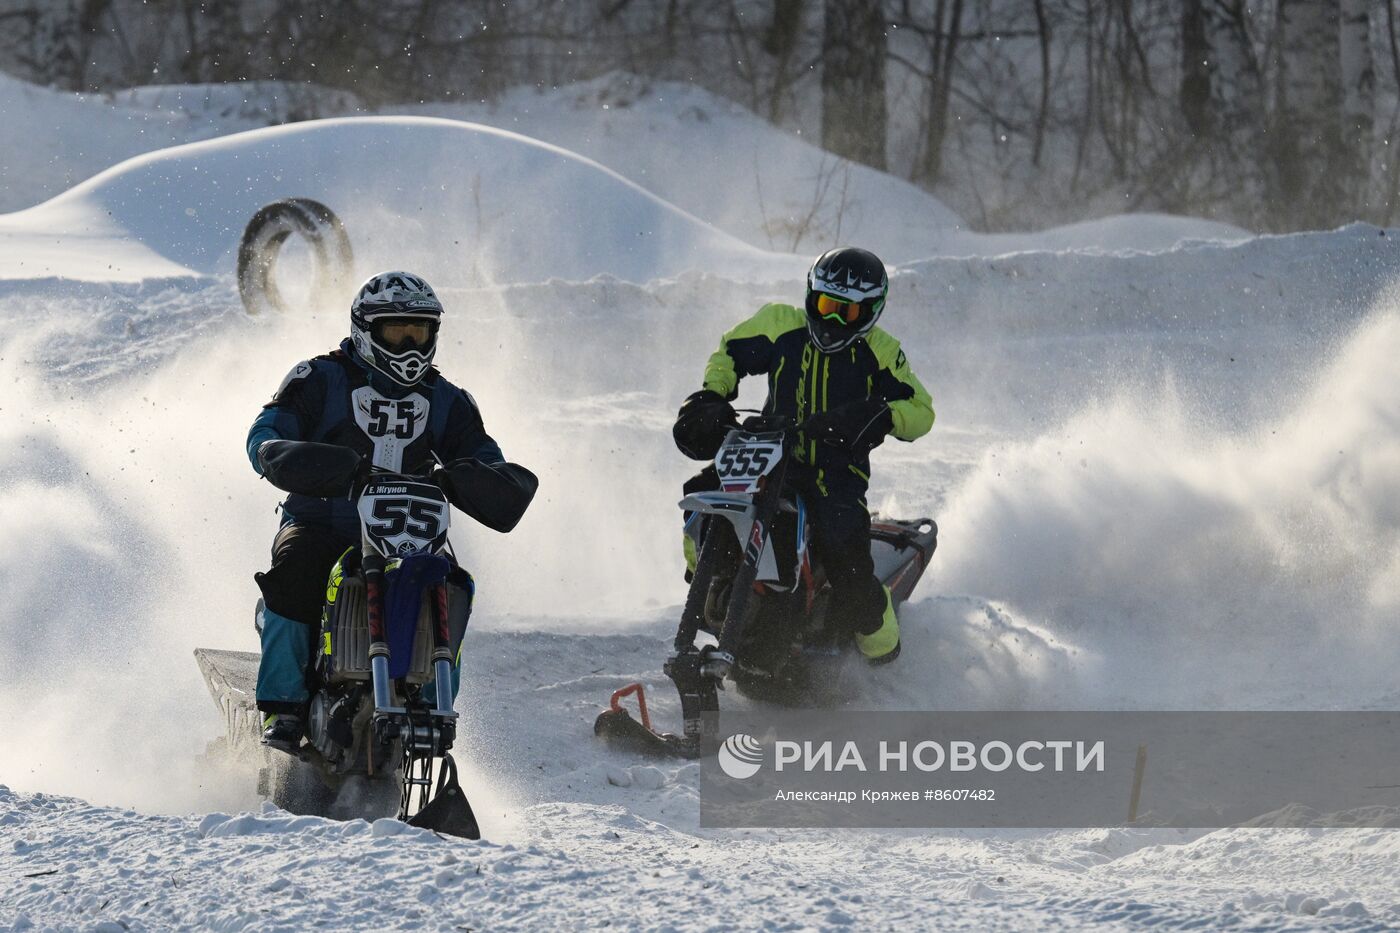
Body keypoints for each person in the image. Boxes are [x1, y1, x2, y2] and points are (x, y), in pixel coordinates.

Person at [246, 270, 536, 751]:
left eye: (419, 333)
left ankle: (431, 703)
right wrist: (279, 452)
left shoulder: (448, 401)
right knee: (294, 574)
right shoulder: (318, 378)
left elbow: (485, 456)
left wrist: (484, 480)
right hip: (321, 520)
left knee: (452, 586)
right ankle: (283, 708)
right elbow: (268, 430)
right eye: (396, 332)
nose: (409, 345)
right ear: (365, 329)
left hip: (410, 534)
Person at [672, 247, 933, 663]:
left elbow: (921, 411)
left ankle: (882, 648)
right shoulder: (780, 324)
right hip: (770, 455)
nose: (831, 320)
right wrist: (712, 395)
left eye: (845, 313)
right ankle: (714, 589)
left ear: (869, 313)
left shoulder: (880, 351)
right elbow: (729, 351)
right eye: (826, 305)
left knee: (846, 558)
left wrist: (879, 416)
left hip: (835, 471)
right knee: (702, 497)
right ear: (811, 296)